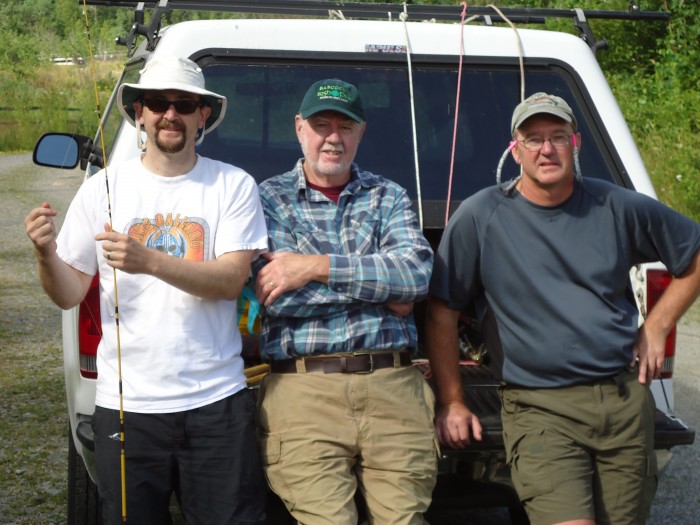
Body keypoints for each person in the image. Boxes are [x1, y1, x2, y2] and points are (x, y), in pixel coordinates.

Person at [426, 92, 700, 525]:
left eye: (557, 136)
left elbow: (693, 252)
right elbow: (442, 310)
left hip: (623, 401)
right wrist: (453, 401)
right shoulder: (481, 216)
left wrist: (658, 323)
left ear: (576, 143)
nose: (546, 149)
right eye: (533, 139)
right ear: (515, 149)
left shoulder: (617, 206)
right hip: (540, 408)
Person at [24, 55, 269, 525]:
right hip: (125, 409)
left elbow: (229, 280)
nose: (170, 113)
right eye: (157, 102)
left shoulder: (232, 185)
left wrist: (149, 260)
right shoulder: (102, 188)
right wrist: (43, 254)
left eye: (184, 104)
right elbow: (69, 292)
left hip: (216, 403)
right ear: (139, 112)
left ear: (204, 115)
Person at [254, 78, 437, 525]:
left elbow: (414, 276)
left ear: (361, 133)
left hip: (394, 388)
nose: (333, 137)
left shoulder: (388, 195)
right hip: (302, 393)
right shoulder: (266, 199)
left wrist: (312, 266)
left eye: (345, 126)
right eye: (321, 125)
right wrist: (384, 290)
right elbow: (276, 298)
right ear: (299, 128)